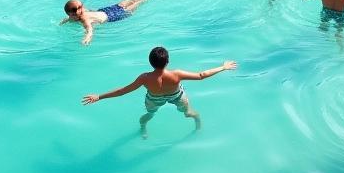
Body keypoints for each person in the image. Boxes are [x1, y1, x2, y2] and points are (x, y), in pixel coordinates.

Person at [82, 45, 237, 137]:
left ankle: (143, 129)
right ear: (167, 61)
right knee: (189, 112)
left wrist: (99, 96)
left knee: (148, 115)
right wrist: (223, 67)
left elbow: (123, 90)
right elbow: (202, 75)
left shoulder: (144, 78)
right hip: (177, 96)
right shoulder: (177, 74)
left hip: (154, 98)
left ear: (150, 62)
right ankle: (197, 123)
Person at [62, 0, 158, 46]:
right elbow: (68, 18)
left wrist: (87, 38)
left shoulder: (84, 19)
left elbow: (89, 30)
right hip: (106, 10)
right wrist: (63, 22)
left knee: (137, 3)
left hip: (113, 16)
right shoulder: (81, 12)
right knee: (131, 0)